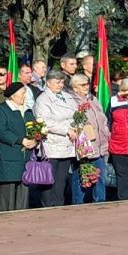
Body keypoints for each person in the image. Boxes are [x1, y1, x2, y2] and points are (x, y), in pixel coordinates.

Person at [33, 71, 78, 207]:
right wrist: (66, 130)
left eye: (62, 82)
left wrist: (78, 125)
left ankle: (59, 204)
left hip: (68, 143)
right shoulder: (43, 99)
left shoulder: (68, 97)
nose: (60, 85)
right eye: (57, 82)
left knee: (62, 178)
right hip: (52, 144)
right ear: (48, 82)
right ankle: (48, 205)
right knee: (49, 178)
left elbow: (76, 113)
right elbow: (44, 121)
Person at [0, 83, 37, 212]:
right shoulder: (2, 109)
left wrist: (35, 139)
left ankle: (22, 219)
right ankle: (5, 219)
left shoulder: (27, 110)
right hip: (10, 155)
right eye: (22, 93)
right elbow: (1, 131)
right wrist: (20, 140)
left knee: (24, 188)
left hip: (26, 156)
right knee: (8, 189)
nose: (25, 96)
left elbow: (34, 128)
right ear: (12, 95)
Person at [67, 73, 109, 204]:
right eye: (83, 84)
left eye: (87, 83)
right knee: (81, 177)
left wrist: (106, 133)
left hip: (100, 145)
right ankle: (78, 204)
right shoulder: (71, 101)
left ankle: (100, 203)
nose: (87, 86)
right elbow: (73, 122)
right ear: (75, 87)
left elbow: (103, 119)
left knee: (100, 177)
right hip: (84, 146)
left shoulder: (93, 99)